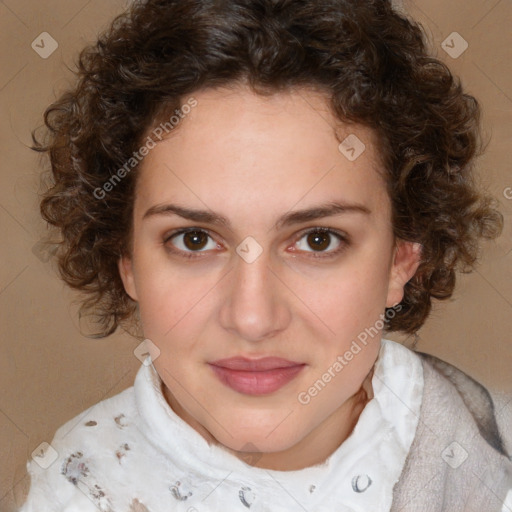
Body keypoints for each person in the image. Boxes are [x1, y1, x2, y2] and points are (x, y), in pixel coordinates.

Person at [19, 0, 512, 510]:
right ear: (126, 261)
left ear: (402, 258)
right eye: (194, 240)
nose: (253, 319)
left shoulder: (491, 461)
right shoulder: (75, 485)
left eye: (318, 240)